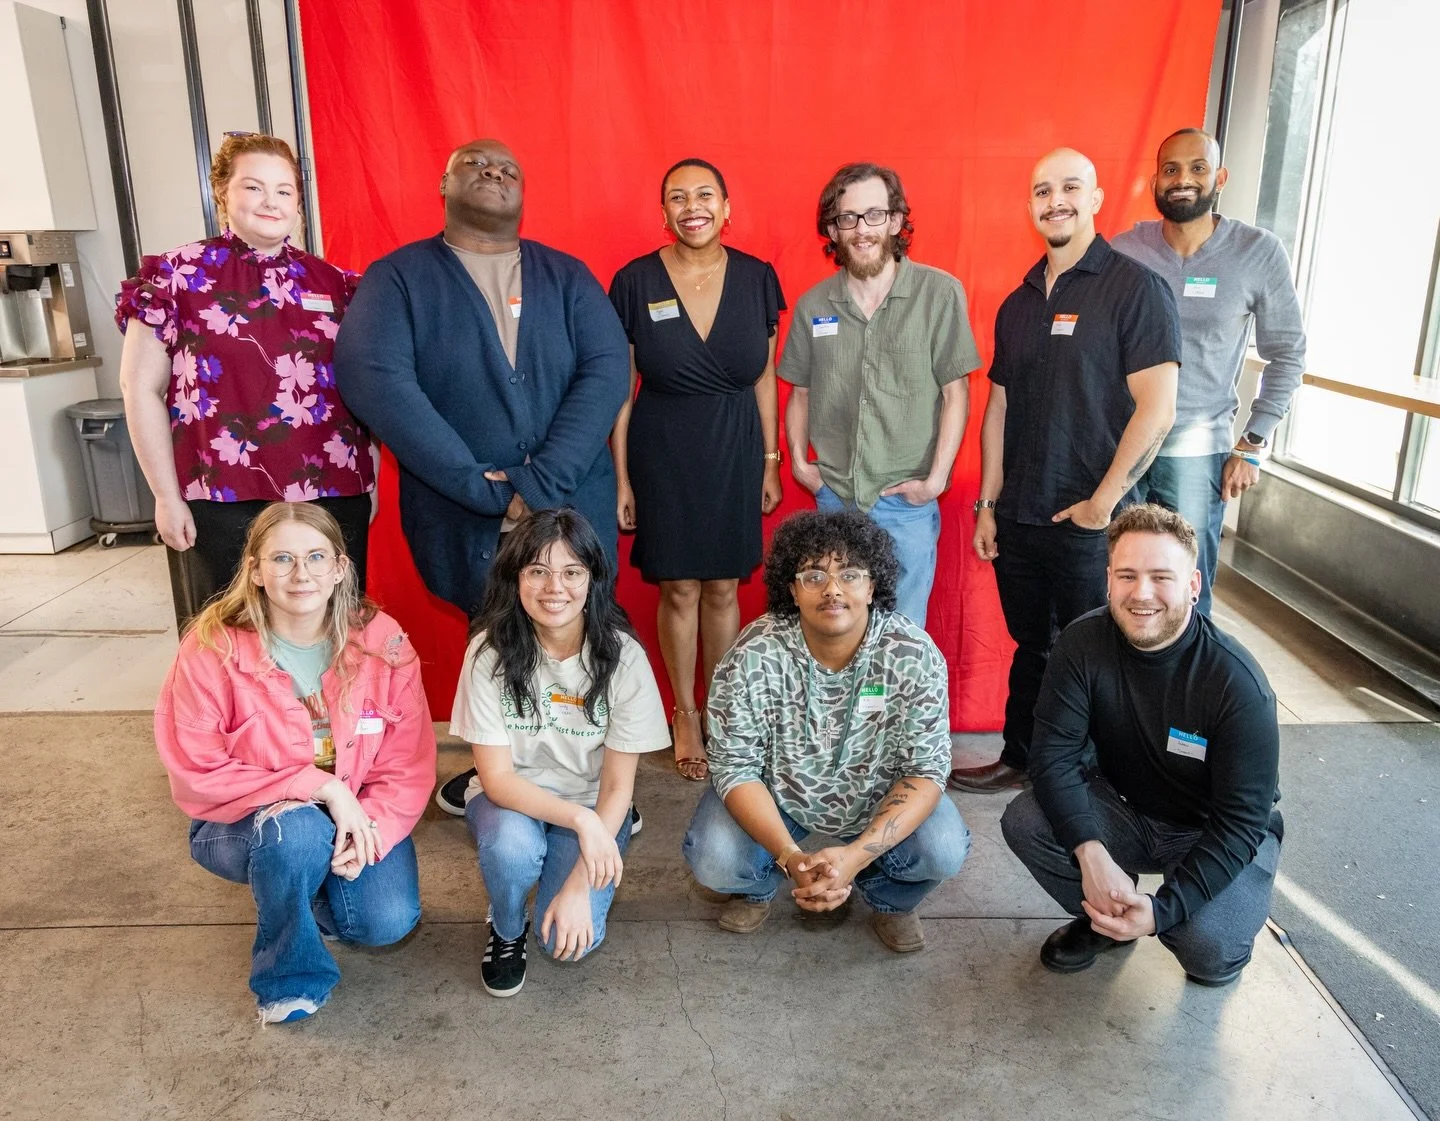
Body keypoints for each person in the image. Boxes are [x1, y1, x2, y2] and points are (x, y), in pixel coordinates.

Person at [334, 137, 630, 816]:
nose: (493, 172)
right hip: (460, 508)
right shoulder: (399, 277)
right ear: (443, 186)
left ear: (524, 193)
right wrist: (480, 486)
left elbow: (607, 368)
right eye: (474, 164)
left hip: (568, 505)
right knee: (492, 641)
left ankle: (592, 788)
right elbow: (375, 376)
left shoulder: (567, 276)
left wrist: (539, 481)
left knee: (580, 639)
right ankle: (499, 778)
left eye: (508, 168)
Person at [950, 148, 1181, 794]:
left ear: (1097, 198)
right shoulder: (1018, 302)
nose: (1056, 200)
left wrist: (1103, 503)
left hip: (1093, 520)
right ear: (1029, 205)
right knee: (1033, 645)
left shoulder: (1136, 290)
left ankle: (1099, 782)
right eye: (1043, 190)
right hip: (1020, 514)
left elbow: (1157, 410)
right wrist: (988, 505)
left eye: (1070, 187)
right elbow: (997, 405)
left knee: (1101, 653)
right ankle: (1022, 757)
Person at [153, 502, 436, 1024]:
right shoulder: (211, 648)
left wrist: (370, 826)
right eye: (281, 559)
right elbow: (197, 770)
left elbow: (407, 762)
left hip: (357, 812)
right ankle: (288, 978)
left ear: (339, 568)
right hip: (239, 821)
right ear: (256, 571)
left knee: (387, 919)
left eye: (315, 557)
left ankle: (302, 891)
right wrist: (322, 789)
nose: (300, 573)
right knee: (297, 833)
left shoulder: (383, 642)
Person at [1000, 504, 1283, 986]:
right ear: (1108, 579)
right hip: (1124, 810)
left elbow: (1240, 824)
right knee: (1027, 820)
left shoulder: (1237, 685)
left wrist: (1162, 911)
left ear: (1193, 585)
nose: (1142, 593)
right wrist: (1091, 854)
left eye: (1161, 577)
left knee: (1208, 949)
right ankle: (1109, 922)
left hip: (1208, 828)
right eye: (1127, 576)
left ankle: (1179, 916)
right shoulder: (1081, 644)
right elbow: (1052, 758)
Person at [118, 132, 375, 632]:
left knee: (330, 629)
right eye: (254, 187)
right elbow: (139, 389)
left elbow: (365, 387)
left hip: (331, 489)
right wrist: (167, 497)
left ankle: (325, 714)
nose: (270, 202)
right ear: (223, 195)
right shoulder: (176, 276)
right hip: (220, 493)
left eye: (284, 191)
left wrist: (372, 472)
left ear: (299, 204)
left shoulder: (335, 284)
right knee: (229, 635)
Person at [682, 510, 970, 954]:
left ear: (873, 587)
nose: (833, 589)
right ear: (792, 591)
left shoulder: (913, 654)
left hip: (878, 797)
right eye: (813, 575)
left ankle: (888, 899)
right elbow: (735, 767)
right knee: (715, 856)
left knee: (943, 847)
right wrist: (792, 858)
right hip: (780, 799)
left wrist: (855, 858)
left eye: (850, 575)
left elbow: (927, 768)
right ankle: (759, 888)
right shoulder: (752, 655)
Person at [609, 157, 786, 782]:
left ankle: (722, 710)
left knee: (724, 586)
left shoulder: (759, 278)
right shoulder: (633, 282)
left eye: (705, 194)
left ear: (727, 206)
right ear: (664, 213)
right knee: (680, 585)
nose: (693, 206)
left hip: (736, 444)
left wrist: (771, 459)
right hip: (664, 447)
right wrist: (623, 477)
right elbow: (620, 389)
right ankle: (684, 711)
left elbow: (764, 376)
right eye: (678, 197)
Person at [451, 509, 669, 996]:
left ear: (593, 579)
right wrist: (584, 823)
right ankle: (506, 927)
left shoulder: (623, 656)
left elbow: (616, 787)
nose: (556, 587)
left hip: (595, 798)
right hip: (512, 796)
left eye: (572, 572)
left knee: (565, 940)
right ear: (515, 578)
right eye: (538, 571)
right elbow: (500, 780)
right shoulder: (489, 651)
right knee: (513, 849)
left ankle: (587, 851)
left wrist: (578, 880)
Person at [1113, 128, 1307, 615]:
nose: (1183, 180)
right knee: (1116, 580)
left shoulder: (1257, 252)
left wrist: (1254, 443)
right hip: (1121, 444)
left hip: (1197, 450)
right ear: (1154, 180)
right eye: (1171, 169)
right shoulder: (1124, 250)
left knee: (1184, 588)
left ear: (1219, 177)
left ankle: (1185, 689)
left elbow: (1288, 354)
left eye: (1197, 168)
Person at [780, 162, 981, 628]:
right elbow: (800, 393)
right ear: (833, 228)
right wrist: (800, 464)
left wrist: (935, 481)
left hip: (905, 504)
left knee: (902, 639)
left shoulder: (940, 293)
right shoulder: (813, 306)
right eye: (848, 218)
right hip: (835, 500)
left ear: (894, 221)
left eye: (874, 215)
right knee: (835, 638)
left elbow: (957, 395)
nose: (861, 229)